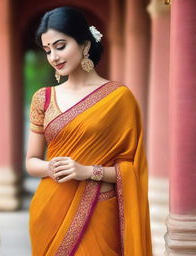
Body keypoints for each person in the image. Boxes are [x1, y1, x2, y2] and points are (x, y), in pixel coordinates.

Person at [25, 6, 152, 256]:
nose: (53, 57)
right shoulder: (43, 97)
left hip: (98, 211)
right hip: (49, 209)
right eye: (47, 50)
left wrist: (86, 171)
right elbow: (31, 162)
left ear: (84, 45)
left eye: (60, 46)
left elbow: (132, 169)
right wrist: (51, 167)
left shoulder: (119, 98)